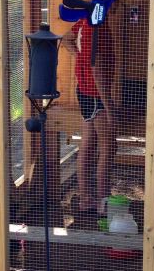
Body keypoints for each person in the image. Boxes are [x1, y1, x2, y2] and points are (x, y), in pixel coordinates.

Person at [62, 17, 116, 215]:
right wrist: (109, 106)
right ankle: (104, 202)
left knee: (88, 142)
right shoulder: (97, 27)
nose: (117, 6)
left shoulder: (85, 21)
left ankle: (86, 199)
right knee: (108, 146)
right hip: (95, 93)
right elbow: (97, 67)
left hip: (83, 90)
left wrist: (79, 57)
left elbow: (66, 38)